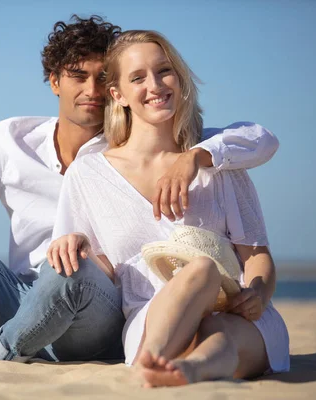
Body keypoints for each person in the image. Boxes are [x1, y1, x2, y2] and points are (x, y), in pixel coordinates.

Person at [0, 16, 279, 371]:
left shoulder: (154, 138)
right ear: (55, 81)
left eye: (100, 78)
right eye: (76, 75)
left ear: (113, 90)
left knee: (70, 271)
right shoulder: (14, 144)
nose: (91, 90)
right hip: (23, 295)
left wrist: (197, 156)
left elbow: (255, 139)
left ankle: (0, 353)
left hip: (92, 301)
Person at [49, 30, 289, 386]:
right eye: (138, 77)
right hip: (151, 318)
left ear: (178, 77)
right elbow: (94, 269)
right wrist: (73, 247)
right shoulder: (88, 173)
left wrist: (259, 293)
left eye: (164, 71)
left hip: (235, 316)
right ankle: (155, 360)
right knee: (201, 270)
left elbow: (256, 254)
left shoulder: (219, 162)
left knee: (218, 329)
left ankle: (188, 370)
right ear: (118, 94)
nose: (155, 85)